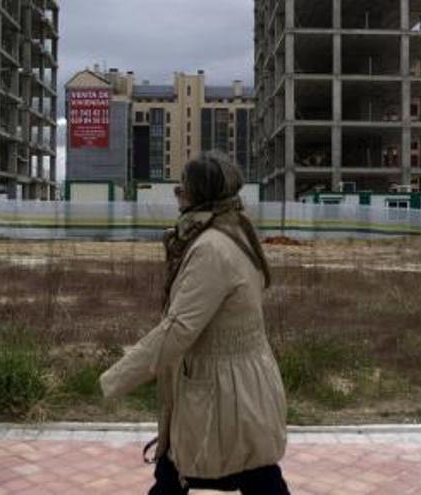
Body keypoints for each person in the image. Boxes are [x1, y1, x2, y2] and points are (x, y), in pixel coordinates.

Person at [100, 151, 290, 494]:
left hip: (225, 389)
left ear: (198, 195)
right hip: (236, 382)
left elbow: (179, 328)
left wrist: (117, 377)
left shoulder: (211, 248)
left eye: (181, 188)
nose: (177, 194)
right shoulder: (233, 231)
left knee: (223, 471)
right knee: (250, 472)